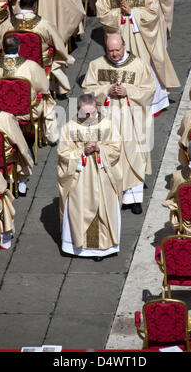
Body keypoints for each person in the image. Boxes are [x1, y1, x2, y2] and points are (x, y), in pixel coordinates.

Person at [82, 33, 155, 214]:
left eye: (117, 50)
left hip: (132, 119)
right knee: (110, 155)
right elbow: (87, 89)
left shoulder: (138, 65)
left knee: (134, 156)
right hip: (106, 119)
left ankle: (134, 199)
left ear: (124, 46)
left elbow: (149, 89)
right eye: (110, 51)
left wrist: (127, 90)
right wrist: (106, 89)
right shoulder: (96, 65)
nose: (114, 54)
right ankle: (112, 196)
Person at [96, 0, 180, 115]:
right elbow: (102, 13)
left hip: (142, 38)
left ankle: (153, 104)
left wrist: (133, 13)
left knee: (146, 67)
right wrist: (120, 15)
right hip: (121, 38)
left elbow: (154, 12)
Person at [57, 93, 122, 261]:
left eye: (92, 113)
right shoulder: (69, 127)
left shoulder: (108, 125)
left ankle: (100, 249)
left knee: (102, 207)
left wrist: (100, 148)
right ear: (78, 109)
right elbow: (63, 153)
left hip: (102, 175)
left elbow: (116, 149)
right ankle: (76, 246)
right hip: (80, 176)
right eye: (85, 113)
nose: (89, 117)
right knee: (79, 208)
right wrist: (82, 152)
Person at [0, 34, 59, 145]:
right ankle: (49, 136)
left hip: (1, 112)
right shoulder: (32, 66)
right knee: (47, 98)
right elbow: (44, 87)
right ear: (19, 48)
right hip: (28, 111)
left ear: (3, 48)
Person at [0, 0, 75, 95]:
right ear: (35, 5)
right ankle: (49, 86)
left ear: (19, 4)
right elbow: (58, 43)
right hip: (40, 62)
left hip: (13, 61)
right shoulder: (44, 24)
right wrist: (67, 57)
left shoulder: (6, 24)